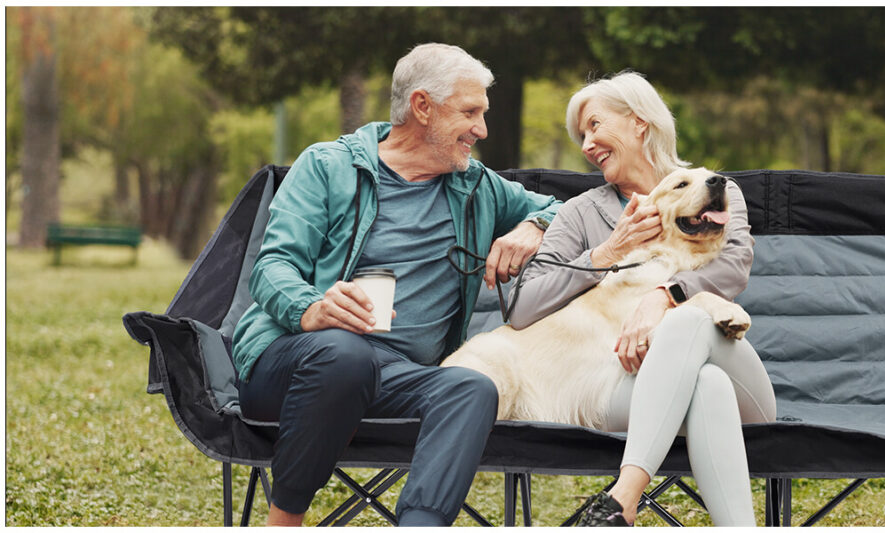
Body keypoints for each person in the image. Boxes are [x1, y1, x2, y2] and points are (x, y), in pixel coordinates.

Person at [231, 43, 562, 527]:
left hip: (398, 376)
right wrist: (312, 308)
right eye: (470, 112)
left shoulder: (476, 186)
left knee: (471, 387)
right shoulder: (328, 166)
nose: (482, 129)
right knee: (346, 356)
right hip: (298, 362)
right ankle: (284, 522)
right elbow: (272, 266)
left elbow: (562, 209)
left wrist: (534, 226)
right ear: (422, 106)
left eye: (484, 114)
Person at [508, 71, 777, 526]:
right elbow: (523, 307)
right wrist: (607, 252)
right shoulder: (580, 214)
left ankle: (623, 497)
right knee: (705, 385)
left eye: (595, 125)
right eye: (581, 135)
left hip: (742, 390)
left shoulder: (714, 189)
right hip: (632, 389)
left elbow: (733, 265)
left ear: (638, 122)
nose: (587, 144)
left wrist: (663, 296)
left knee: (689, 319)